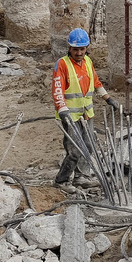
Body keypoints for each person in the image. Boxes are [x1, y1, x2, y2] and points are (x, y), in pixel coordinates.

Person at [51, 28, 110, 183]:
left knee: (88, 146)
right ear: (69, 48)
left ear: (86, 48)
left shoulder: (88, 62)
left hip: (86, 113)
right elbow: (57, 89)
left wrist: (108, 98)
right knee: (74, 151)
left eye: (82, 49)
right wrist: (62, 109)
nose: (79, 53)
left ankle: (81, 176)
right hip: (70, 115)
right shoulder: (62, 64)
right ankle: (62, 180)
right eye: (75, 49)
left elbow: (96, 82)